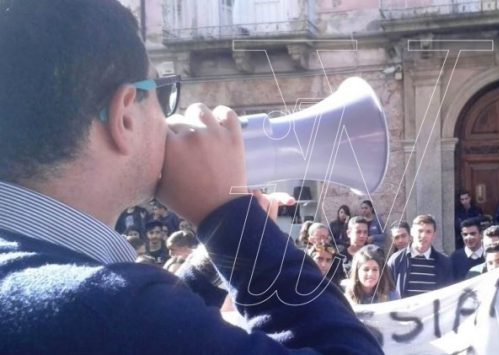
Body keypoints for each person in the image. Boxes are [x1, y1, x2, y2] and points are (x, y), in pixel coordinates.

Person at [0, 1, 381, 353]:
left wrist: (209, 264)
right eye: (162, 92)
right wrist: (234, 222)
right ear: (125, 115)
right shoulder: (107, 309)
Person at [387, 214, 453, 298]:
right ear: (412, 232)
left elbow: (448, 295)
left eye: (428, 232)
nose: (423, 235)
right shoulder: (395, 260)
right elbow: (387, 293)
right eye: (420, 231)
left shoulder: (444, 263)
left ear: (434, 235)